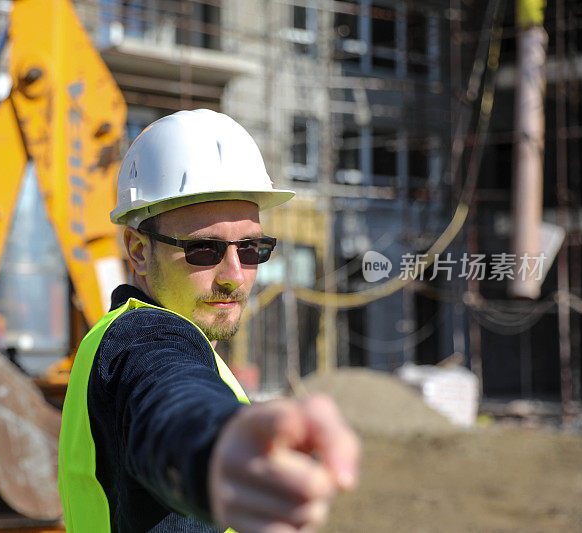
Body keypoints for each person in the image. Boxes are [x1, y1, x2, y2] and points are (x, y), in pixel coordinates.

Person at [58, 109, 360, 532]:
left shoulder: (125, 344)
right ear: (139, 251)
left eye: (252, 249)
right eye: (204, 250)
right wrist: (215, 449)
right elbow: (170, 400)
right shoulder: (140, 339)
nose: (235, 275)